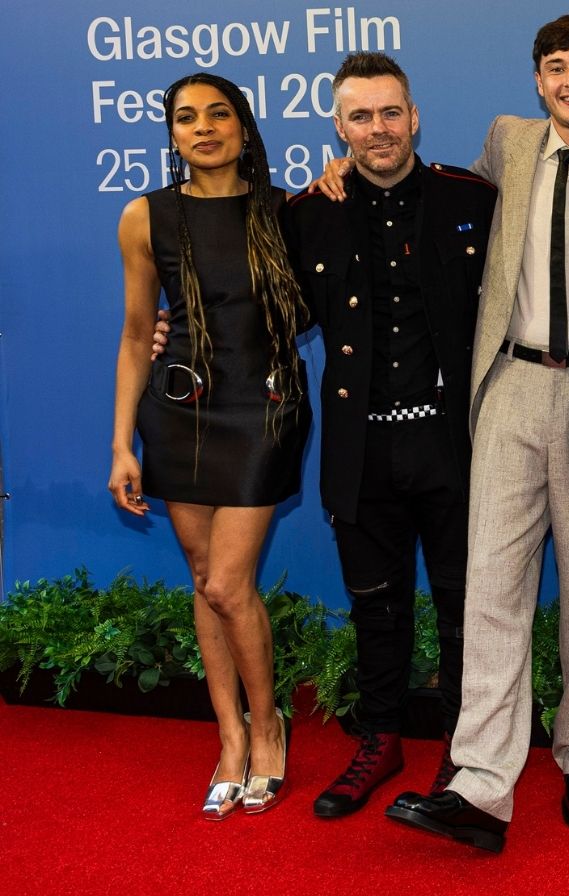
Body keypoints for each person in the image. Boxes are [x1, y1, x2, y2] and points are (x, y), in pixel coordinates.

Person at [377, 15, 569, 852]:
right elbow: (424, 186)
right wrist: (338, 174)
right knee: (491, 584)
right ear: (538, 81)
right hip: (511, 385)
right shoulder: (509, 140)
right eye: (556, 67)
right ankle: (481, 782)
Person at [275, 52, 496, 818]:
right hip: (359, 448)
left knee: (467, 607)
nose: (379, 129)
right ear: (338, 128)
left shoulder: (474, 200)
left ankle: (467, 761)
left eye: (391, 112)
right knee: (377, 606)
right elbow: (271, 314)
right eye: (361, 116)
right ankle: (381, 740)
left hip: (454, 445)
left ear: (415, 116)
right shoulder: (306, 214)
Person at [109, 72, 307, 819]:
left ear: (244, 127)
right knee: (203, 576)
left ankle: (267, 726)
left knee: (227, 583)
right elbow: (135, 335)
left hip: (263, 408)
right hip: (177, 407)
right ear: (171, 135)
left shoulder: (287, 212)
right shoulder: (145, 218)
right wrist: (121, 443)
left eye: (218, 114)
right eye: (186, 118)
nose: (202, 128)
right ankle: (228, 735)